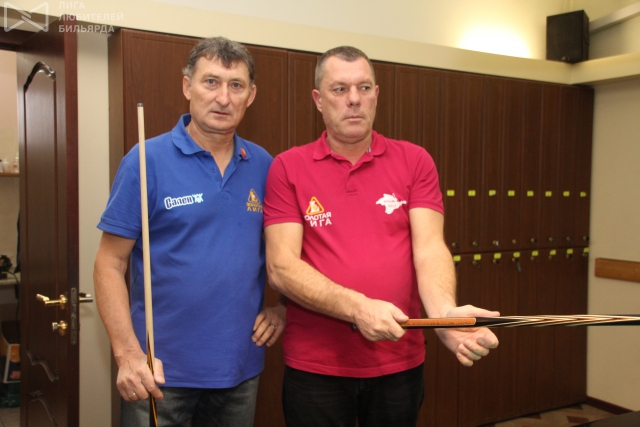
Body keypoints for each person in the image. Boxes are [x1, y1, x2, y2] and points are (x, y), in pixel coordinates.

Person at [263, 46, 500, 427]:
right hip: (316, 367)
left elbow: (429, 249)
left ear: (376, 94)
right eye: (340, 89)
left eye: (363, 87)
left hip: (399, 360)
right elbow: (281, 267)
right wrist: (358, 307)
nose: (354, 99)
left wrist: (443, 316)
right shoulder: (288, 167)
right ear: (318, 100)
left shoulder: (415, 160)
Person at [93, 36, 285, 427]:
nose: (223, 98)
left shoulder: (265, 165)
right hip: (158, 372)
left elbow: (288, 253)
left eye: (236, 85)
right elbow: (109, 263)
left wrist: (284, 307)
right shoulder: (145, 160)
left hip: (239, 370)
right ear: (187, 87)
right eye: (211, 82)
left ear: (250, 95)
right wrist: (127, 354)